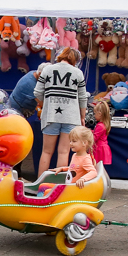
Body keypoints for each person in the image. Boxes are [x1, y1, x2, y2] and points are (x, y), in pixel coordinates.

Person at [34, 47, 87, 178]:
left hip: (51, 116)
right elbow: (82, 98)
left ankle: (40, 183)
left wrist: (46, 104)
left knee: (46, 152)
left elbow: (37, 92)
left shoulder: (47, 70)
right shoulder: (78, 73)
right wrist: (82, 116)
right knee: (64, 152)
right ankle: (59, 184)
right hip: (71, 117)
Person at [91, 100, 112, 167]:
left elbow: (94, 138)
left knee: (97, 167)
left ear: (99, 114)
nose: (94, 115)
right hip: (101, 148)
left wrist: (87, 134)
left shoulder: (100, 126)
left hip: (99, 150)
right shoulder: (103, 125)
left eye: (95, 113)